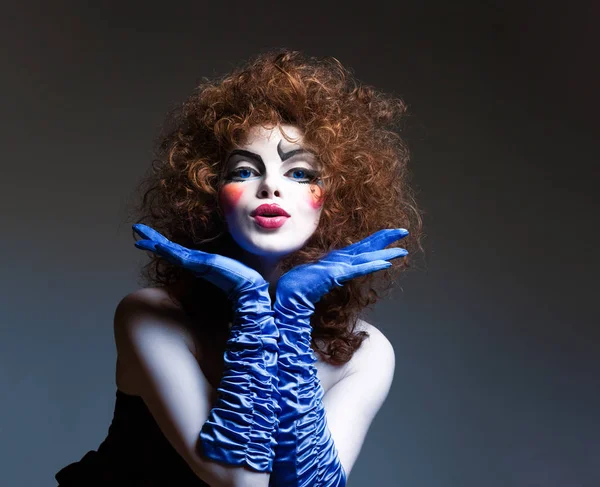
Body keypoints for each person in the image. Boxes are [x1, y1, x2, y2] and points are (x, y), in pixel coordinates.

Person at [55, 49, 424, 487]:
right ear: (209, 193)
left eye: (301, 173)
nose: (270, 184)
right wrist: (253, 302)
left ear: (338, 201)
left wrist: (291, 309)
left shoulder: (366, 351)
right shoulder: (150, 316)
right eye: (246, 171)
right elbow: (239, 482)